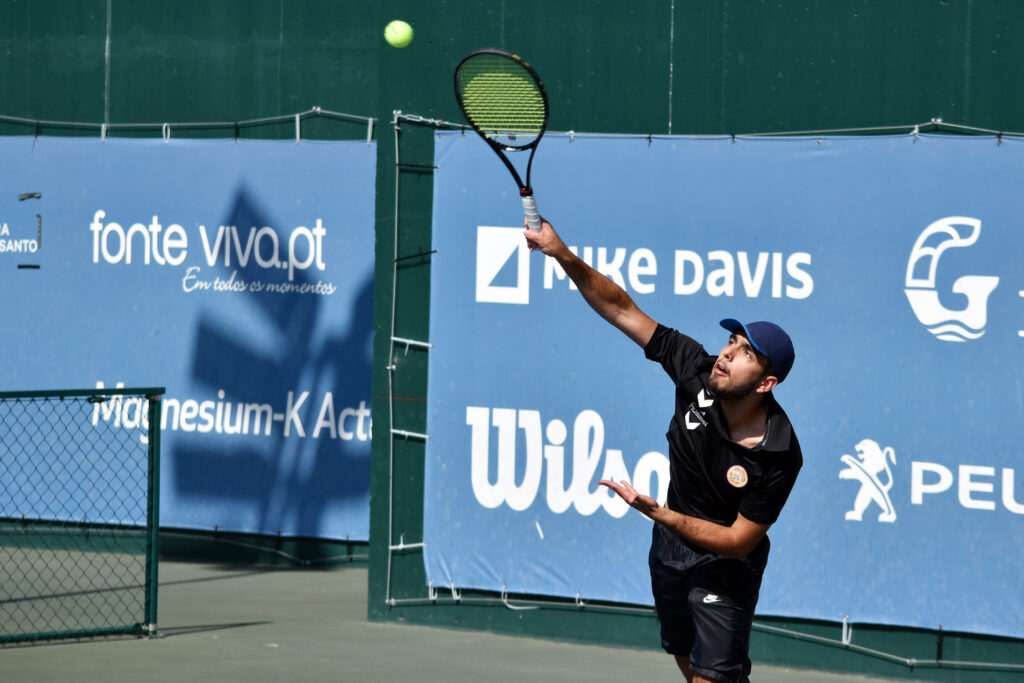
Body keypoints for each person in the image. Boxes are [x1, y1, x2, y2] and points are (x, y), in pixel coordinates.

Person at [524, 218, 803, 683]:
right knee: (686, 657)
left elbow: (739, 540)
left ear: (766, 383)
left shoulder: (780, 453)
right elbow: (621, 310)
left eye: (745, 354)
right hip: (670, 546)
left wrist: (662, 514)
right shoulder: (695, 368)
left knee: (710, 678)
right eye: (731, 342)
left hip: (726, 563)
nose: (726, 354)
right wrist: (562, 254)